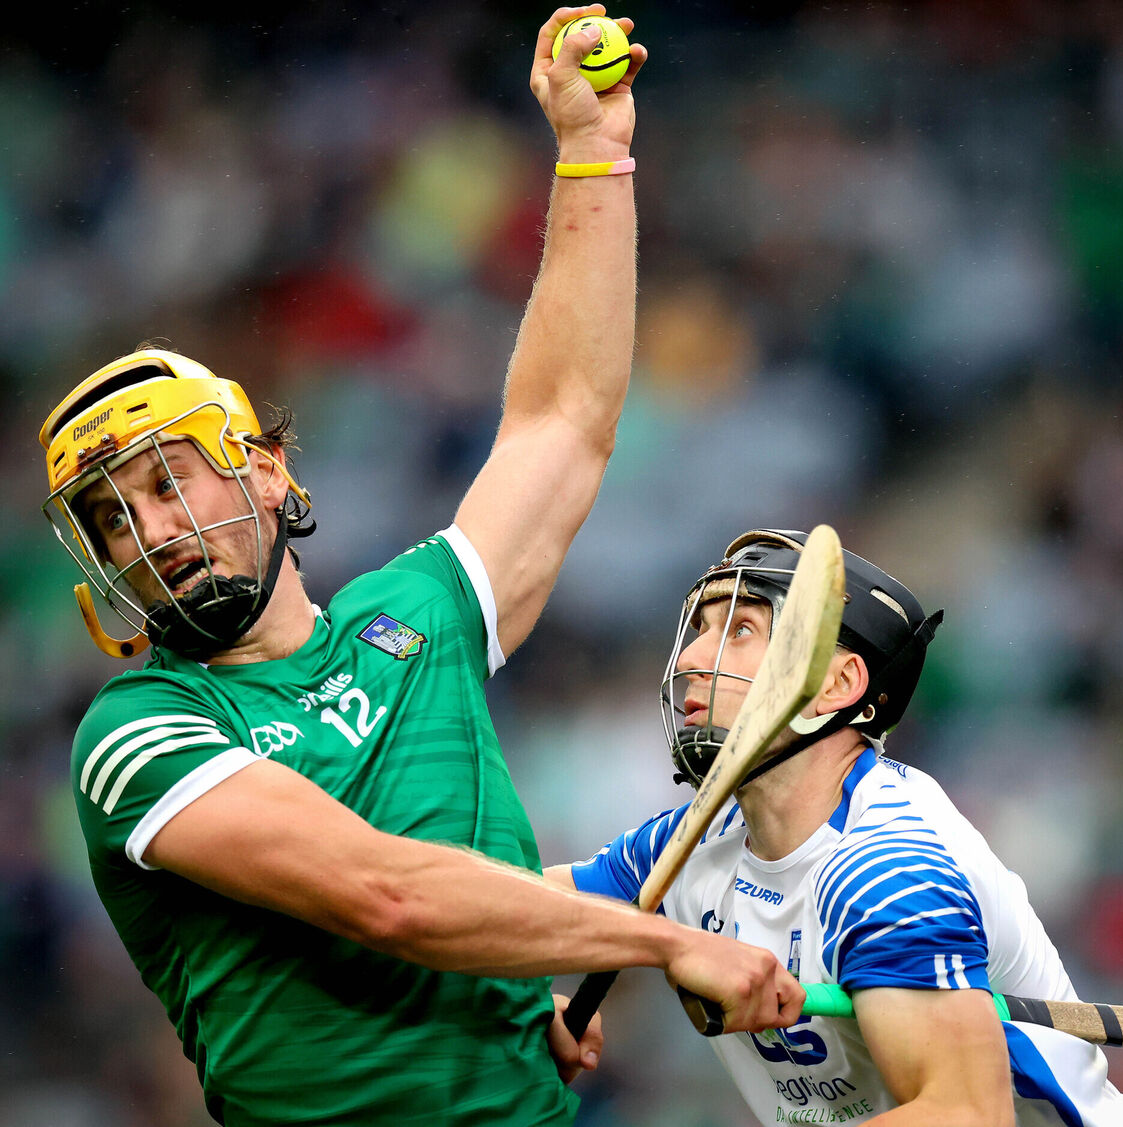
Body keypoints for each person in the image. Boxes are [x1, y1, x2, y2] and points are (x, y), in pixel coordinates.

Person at [35, 12, 806, 1127]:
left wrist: (592, 153)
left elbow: (564, 419)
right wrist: (662, 942)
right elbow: (385, 894)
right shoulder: (137, 733)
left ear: (266, 470)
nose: (150, 531)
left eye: (169, 482)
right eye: (114, 518)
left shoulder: (414, 613)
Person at [548, 529, 1123, 1127]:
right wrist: (527, 1005)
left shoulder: (887, 868)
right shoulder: (688, 846)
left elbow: (966, 1115)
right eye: (700, 631)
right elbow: (517, 912)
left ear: (838, 684)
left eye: (740, 630)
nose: (691, 659)